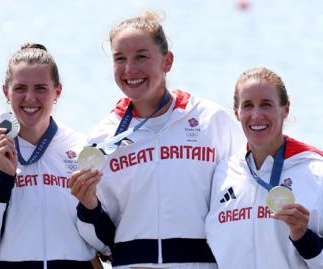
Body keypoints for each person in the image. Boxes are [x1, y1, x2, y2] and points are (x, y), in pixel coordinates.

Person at [68, 11, 245, 269]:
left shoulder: (210, 120)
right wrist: (88, 205)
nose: (130, 69)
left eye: (141, 56)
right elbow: (102, 242)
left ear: (167, 61)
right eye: (120, 59)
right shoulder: (103, 136)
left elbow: (245, 196)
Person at [0, 43, 98, 269]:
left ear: (57, 91)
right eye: (20, 88)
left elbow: (103, 244)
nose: (30, 98)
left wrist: (91, 206)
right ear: (6, 91)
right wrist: (4, 180)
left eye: (41, 88)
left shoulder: (81, 147)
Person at [205, 67, 323, 268]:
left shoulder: (316, 172)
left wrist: (303, 237)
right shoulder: (223, 173)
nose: (256, 115)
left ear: (285, 109)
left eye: (266, 105)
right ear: (236, 112)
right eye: (248, 105)